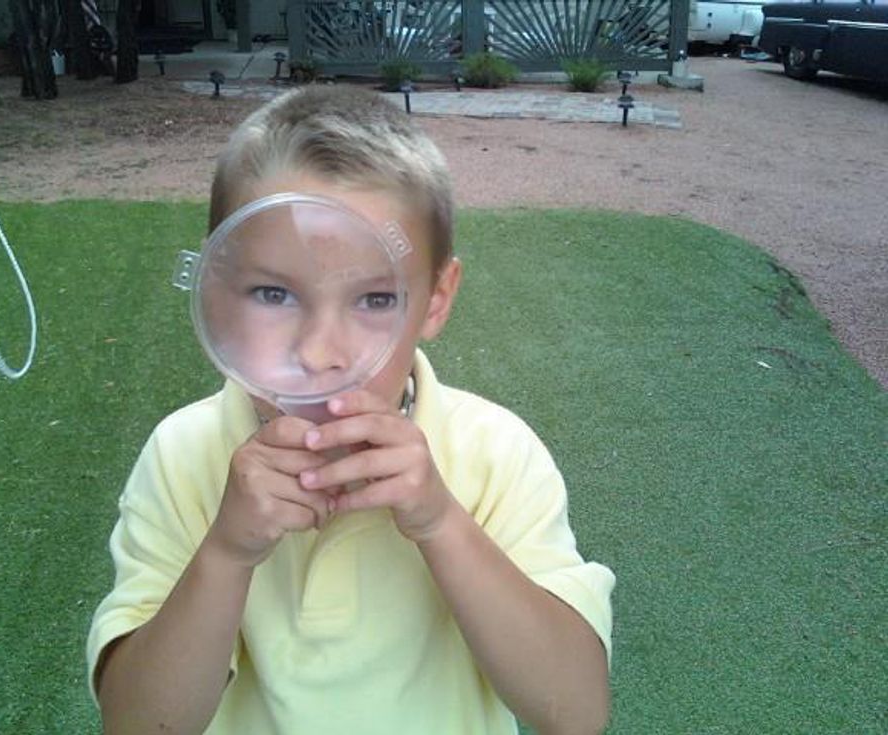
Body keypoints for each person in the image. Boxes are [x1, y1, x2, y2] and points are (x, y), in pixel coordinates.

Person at [87, 84, 615, 735]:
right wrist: (225, 553)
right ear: (216, 287)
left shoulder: (496, 454)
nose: (319, 353)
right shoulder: (183, 455)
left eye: (374, 300)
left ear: (436, 299)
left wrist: (440, 520)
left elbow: (575, 711)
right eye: (273, 293)